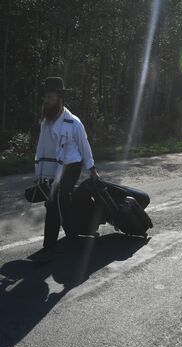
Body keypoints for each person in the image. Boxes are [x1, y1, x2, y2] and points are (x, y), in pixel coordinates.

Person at [34, 77, 99, 261]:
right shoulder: (45, 122)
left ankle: (49, 248)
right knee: (61, 202)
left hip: (71, 166)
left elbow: (84, 146)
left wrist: (92, 169)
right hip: (54, 168)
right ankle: (73, 234)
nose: (46, 100)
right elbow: (43, 148)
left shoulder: (74, 123)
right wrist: (40, 174)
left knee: (54, 203)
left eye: (50, 97)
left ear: (60, 99)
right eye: (45, 97)